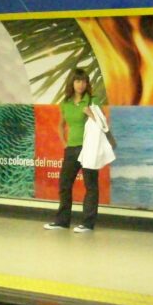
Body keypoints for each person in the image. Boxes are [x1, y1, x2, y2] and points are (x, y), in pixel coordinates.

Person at [44, 69, 102, 233]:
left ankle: (88, 223)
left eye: (83, 81)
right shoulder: (66, 102)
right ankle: (62, 221)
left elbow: (102, 123)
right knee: (64, 184)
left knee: (90, 186)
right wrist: (65, 143)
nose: (80, 84)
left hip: (89, 148)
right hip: (72, 148)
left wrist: (91, 114)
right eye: (77, 81)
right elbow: (61, 125)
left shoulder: (92, 100)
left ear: (87, 83)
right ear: (72, 83)